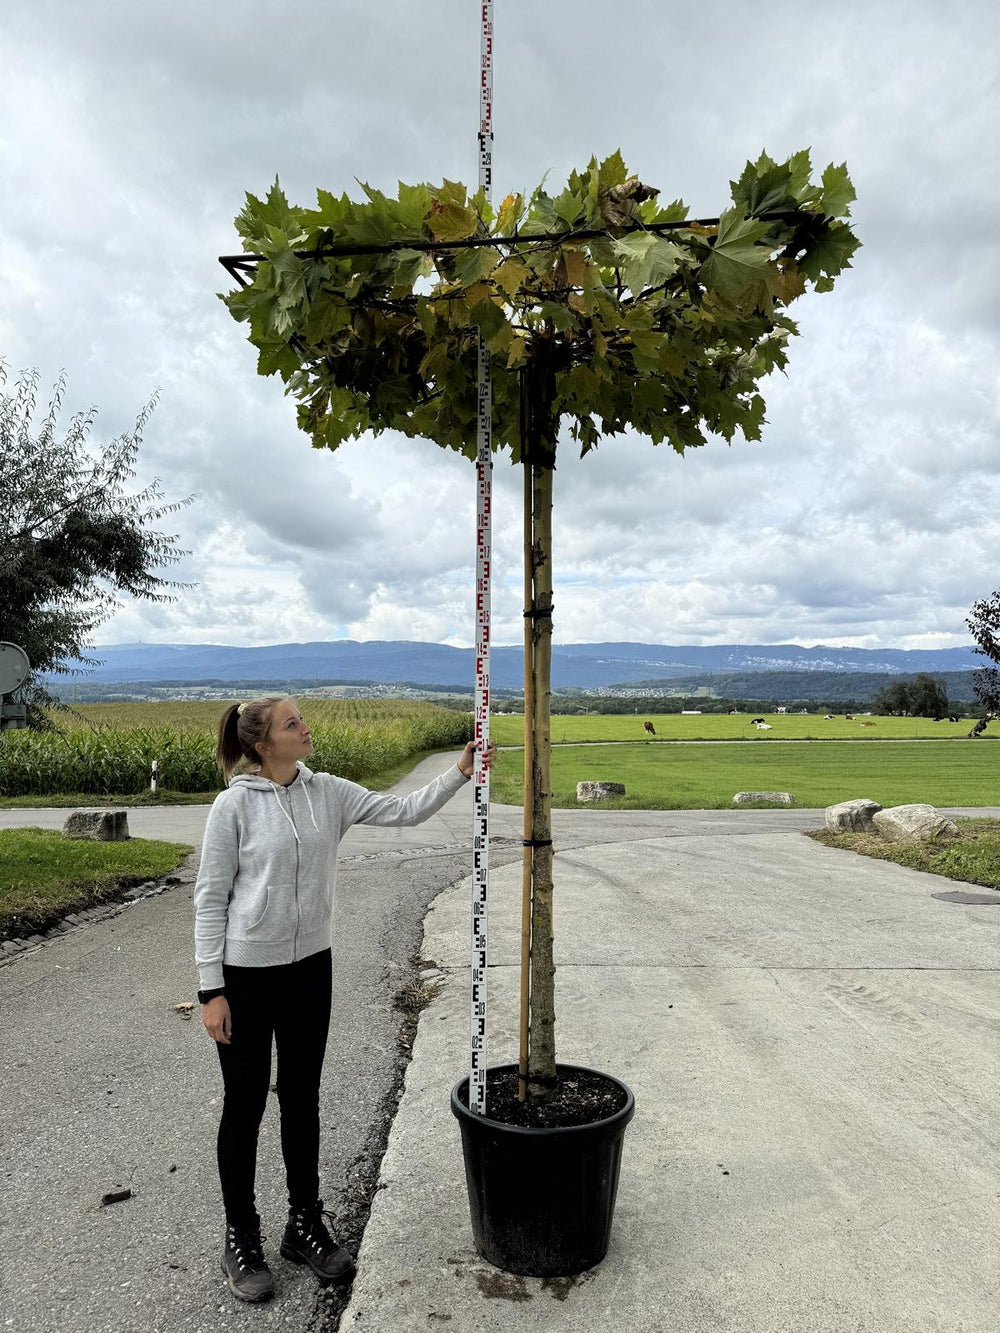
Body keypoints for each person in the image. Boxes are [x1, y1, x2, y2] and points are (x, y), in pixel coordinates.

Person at [194, 694, 495, 1304]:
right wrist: (210, 989)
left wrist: (460, 772)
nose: (307, 728)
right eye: (292, 723)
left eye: (302, 719)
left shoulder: (326, 791)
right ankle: (241, 1234)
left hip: (310, 969)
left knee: (302, 1099)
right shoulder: (232, 807)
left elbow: (404, 810)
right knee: (246, 1103)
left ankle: (303, 1225)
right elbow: (209, 899)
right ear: (260, 743)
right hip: (246, 976)